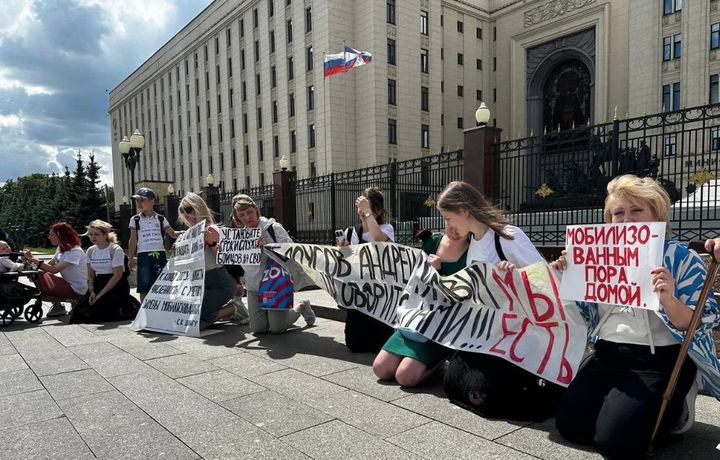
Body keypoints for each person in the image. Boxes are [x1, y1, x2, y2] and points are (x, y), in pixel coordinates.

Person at [553, 175, 720, 459]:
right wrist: (565, 276)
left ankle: (674, 408)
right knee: (570, 427)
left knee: (615, 442)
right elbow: (582, 314)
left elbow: (696, 324)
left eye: (637, 210)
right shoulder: (599, 256)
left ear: (657, 214)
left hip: (656, 361)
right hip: (607, 355)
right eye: (619, 213)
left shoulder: (681, 258)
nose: (627, 219)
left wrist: (668, 298)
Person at [436, 181, 564, 421]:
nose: (447, 225)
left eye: (447, 218)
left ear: (464, 210)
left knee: (480, 395)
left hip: (518, 334)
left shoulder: (508, 237)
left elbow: (545, 281)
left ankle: (544, 393)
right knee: (452, 383)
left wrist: (514, 277)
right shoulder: (472, 242)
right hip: (489, 333)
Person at [373, 226, 469, 387]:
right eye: (447, 219)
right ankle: (419, 361)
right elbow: (414, 280)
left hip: (441, 327)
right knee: (380, 369)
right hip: (416, 320)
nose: (453, 228)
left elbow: (464, 296)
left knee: (405, 377)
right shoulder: (432, 242)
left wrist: (439, 275)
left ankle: (439, 361)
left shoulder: (473, 252)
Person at [232, 194, 315, 333]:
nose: (247, 217)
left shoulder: (273, 227)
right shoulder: (240, 237)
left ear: (256, 210)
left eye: (249, 212)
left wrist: (269, 245)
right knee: (258, 329)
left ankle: (301, 306)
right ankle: (270, 314)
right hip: (253, 287)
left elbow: (291, 249)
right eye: (242, 215)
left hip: (275, 283)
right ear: (237, 218)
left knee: (277, 329)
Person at [338, 187, 396, 352]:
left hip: (379, 292)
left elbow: (378, 240)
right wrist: (342, 250)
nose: (362, 212)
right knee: (354, 344)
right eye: (360, 208)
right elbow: (345, 262)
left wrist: (368, 212)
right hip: (358, 293)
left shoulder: (386, 229)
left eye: (367, 208)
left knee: (380, 343)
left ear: (377, 211)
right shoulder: (350, 233)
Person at [177, 193, 236, 329]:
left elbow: (225, 259)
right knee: (188, 319)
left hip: (218, 280)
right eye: (182, 211)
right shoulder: (187, 235)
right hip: (199, 282)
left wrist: (212, 243)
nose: (185, 214)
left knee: (196, 323)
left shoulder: (210, 229)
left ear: (198, 208)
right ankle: (221, 311)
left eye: (189, 209)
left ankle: (234, 308)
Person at [69, 220, 140, 323]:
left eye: (96, 234)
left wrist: (100, 294)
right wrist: (92, 291)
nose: (93, 237)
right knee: (83, 312)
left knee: (106, 311)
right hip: (99, 283)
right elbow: (90, 274)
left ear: (105, 234)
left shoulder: (115, 250)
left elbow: (117, 276)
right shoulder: (90, 250)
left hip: (116, 285)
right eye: (90, 234)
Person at [23, 222, 88, 317]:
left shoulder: (75, 251)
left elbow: (54, 270)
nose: (49, 237)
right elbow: (49, 265)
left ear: (61, 235)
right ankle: (58, 306)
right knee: (38, 275)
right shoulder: (61, 248)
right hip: (69, 284)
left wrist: (32, 258)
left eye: (52, 234)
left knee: (40, 275)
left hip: (78, 288)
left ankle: (77, 301)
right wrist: (32, 270)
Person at [127, 187, 180, 302]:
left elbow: (173, 233)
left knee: (162, 283)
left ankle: (162, 310)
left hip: (159, 254)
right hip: (143, 255)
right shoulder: (135, 219)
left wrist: (188, 232)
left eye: (142, 200)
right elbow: (133, 239)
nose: (139, 203)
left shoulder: (160, 219)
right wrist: (130, 258)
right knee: (144, 286)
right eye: (137, 201)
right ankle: (144, 312)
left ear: (152, 201)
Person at [221, 193, 252, 325]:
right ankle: (240, 309)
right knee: (238, 285)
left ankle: (248, 312)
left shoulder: (254, 220)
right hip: (236, 261)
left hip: (250, 261)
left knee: (248, 286)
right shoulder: (232, 221)